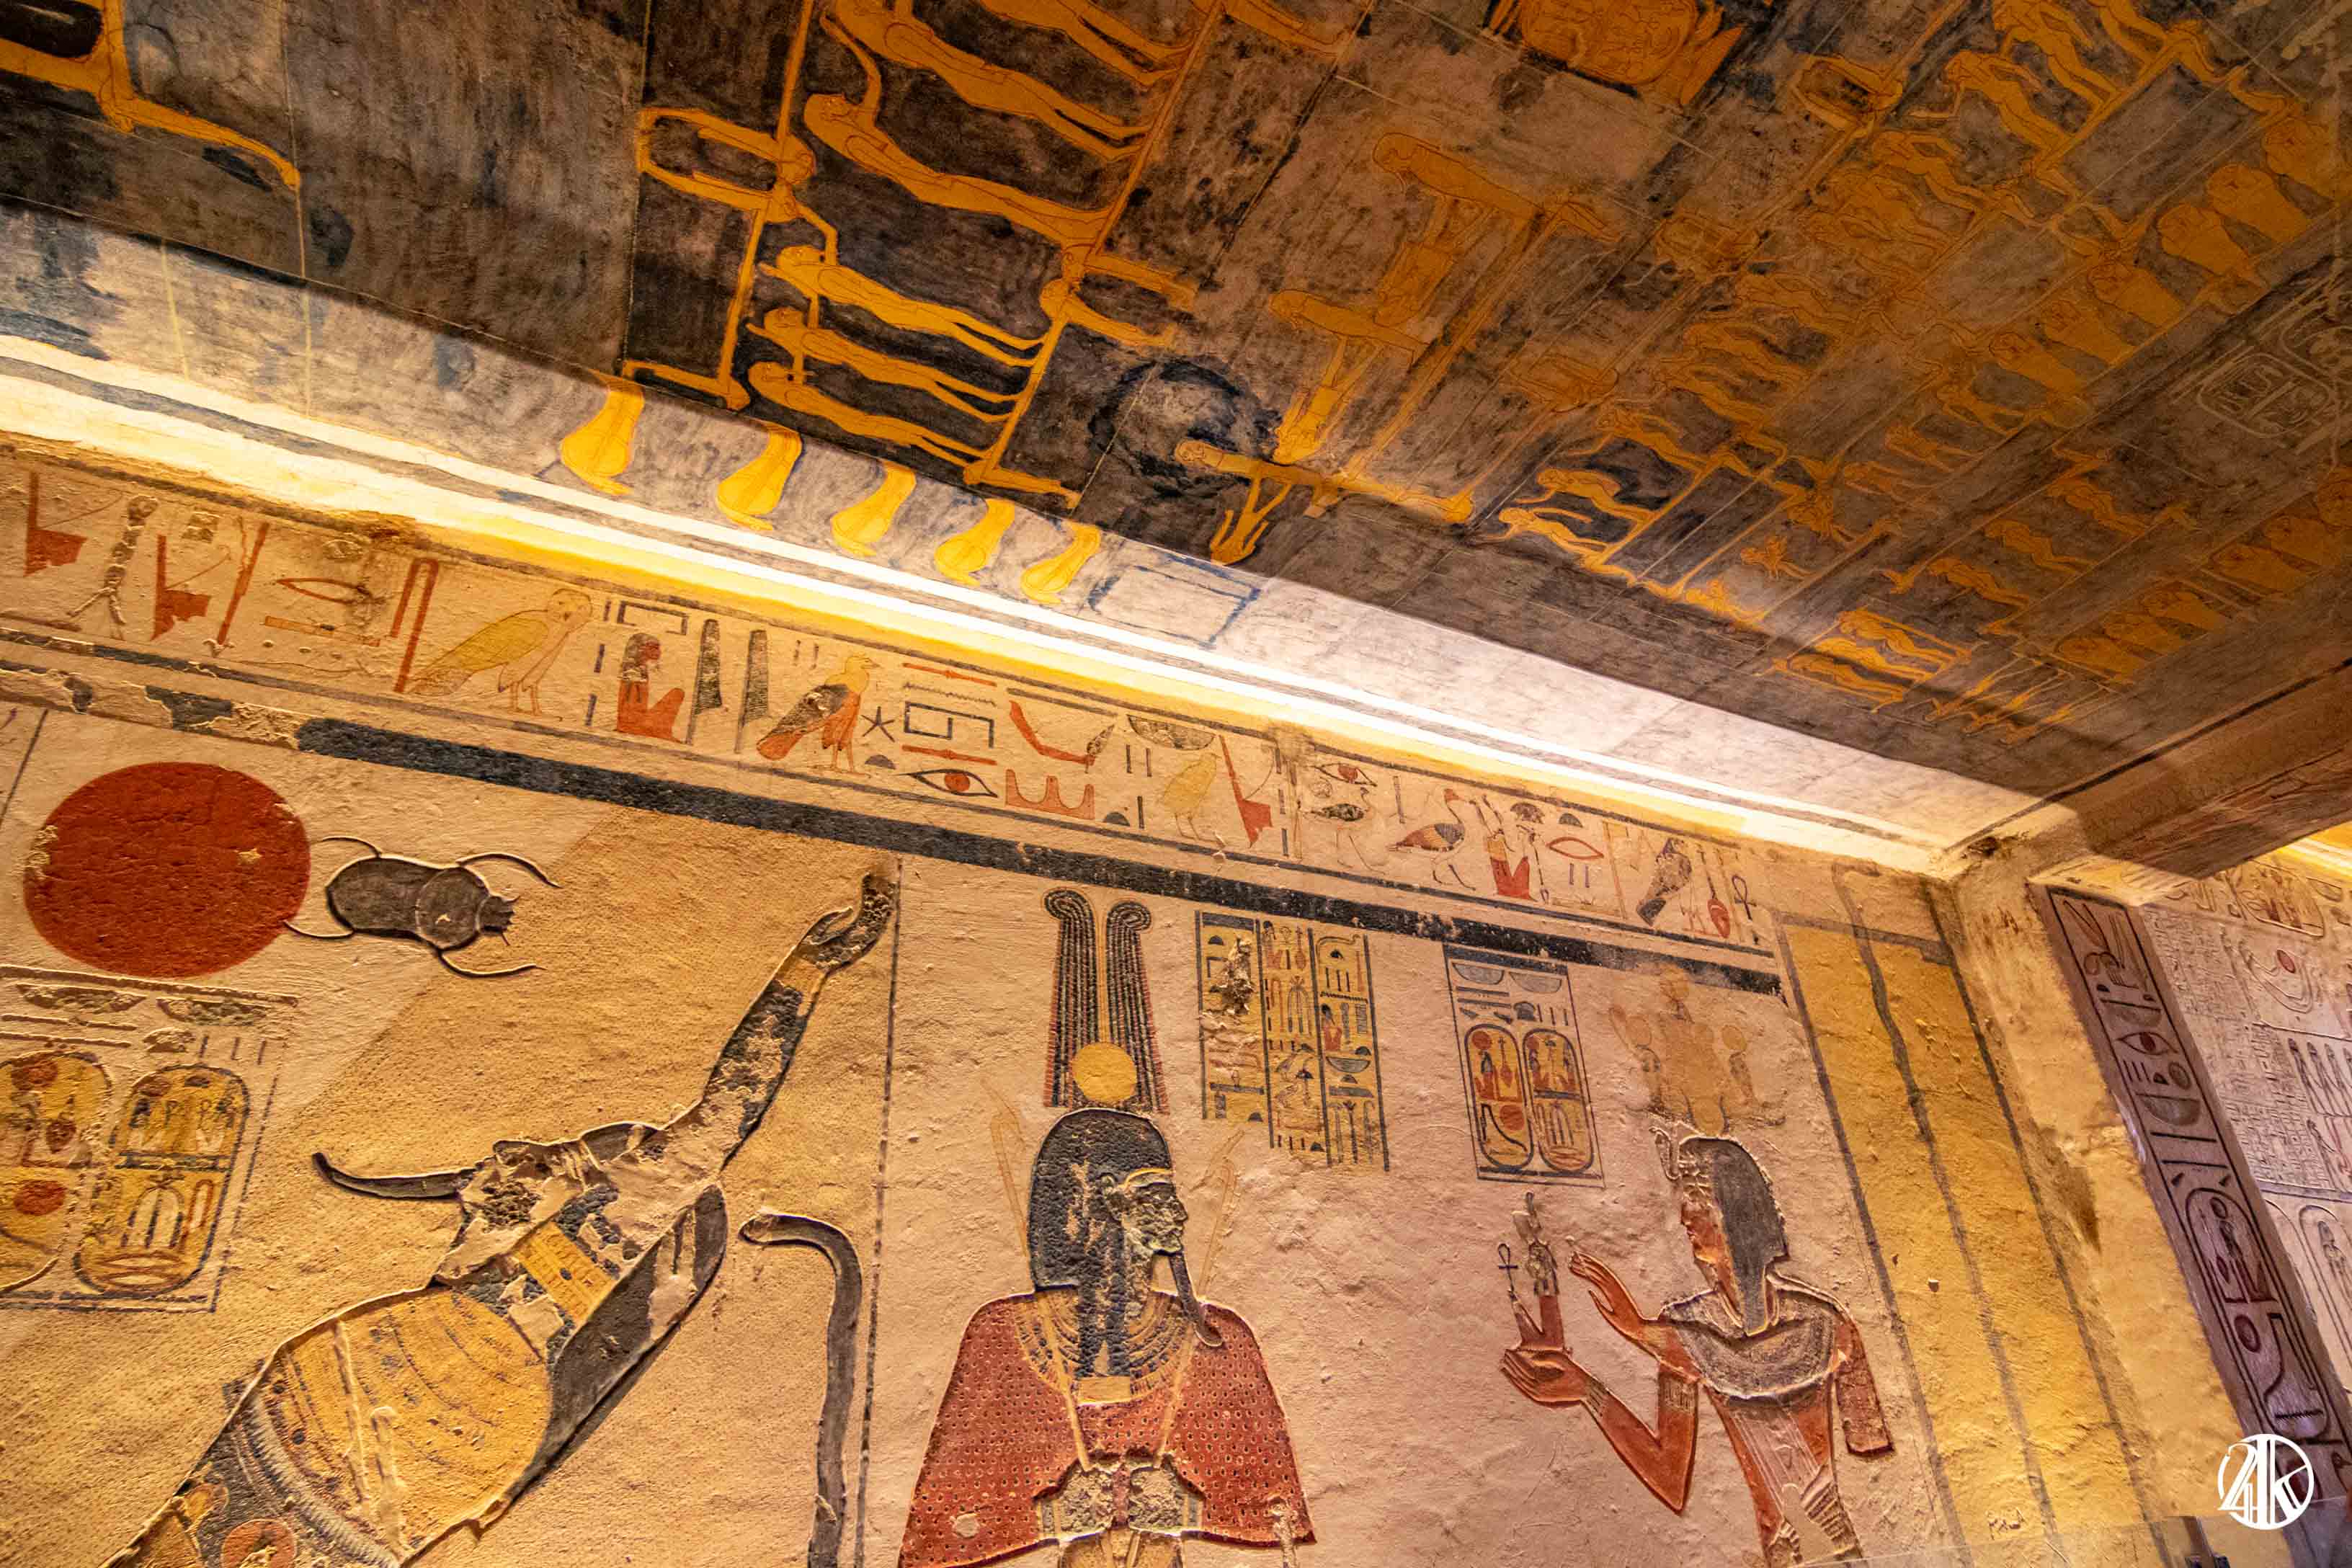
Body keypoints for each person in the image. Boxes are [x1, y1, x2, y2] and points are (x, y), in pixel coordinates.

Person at [903, 1110, 1308, 1568]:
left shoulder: (1221, 1341)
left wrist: (1192, 1512)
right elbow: (939, 1528)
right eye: (1160, 1195)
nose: (1180, 1213)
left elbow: (1278, 1513)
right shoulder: (1002, 1335)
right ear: (1109, 1200)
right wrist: (1048, 1519)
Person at [1500, 1133, 1890, 1565]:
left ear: (1737, 1213)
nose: (1684, 1216)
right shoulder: (1686, 1328)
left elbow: (1748, 1367)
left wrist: (1642, 1332)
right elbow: (1669, 1475)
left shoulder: (1822, 1322)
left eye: (1698, 1200)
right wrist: (1587, 1391)